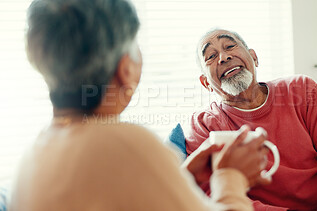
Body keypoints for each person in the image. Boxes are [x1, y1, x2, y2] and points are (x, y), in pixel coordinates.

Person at [8, 1, 270, 210]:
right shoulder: (125, 145)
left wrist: (183, 177)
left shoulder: (32, 156)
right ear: (125, 68)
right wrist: (230, 176)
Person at [186, 28, 317, 211]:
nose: (223, 57)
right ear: (205, 83)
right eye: (211, 56)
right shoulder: (204, 124)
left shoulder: (303, 90)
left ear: (254, 57)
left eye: (230, 46)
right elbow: (214, 197)